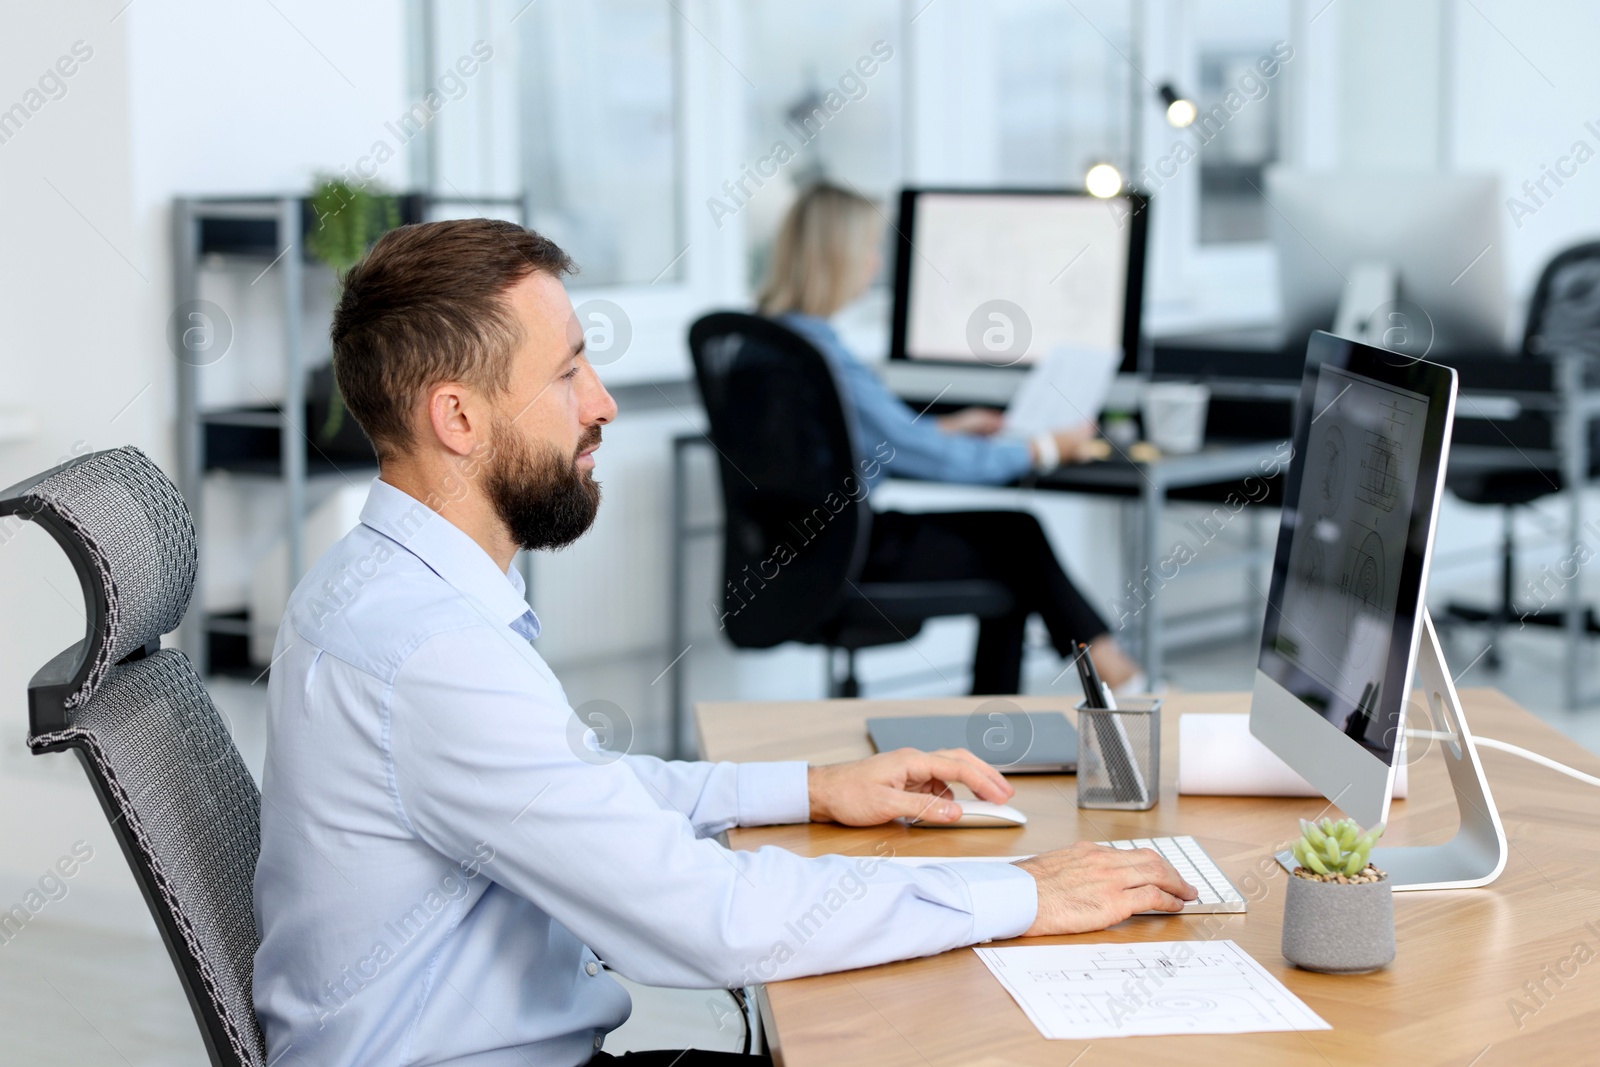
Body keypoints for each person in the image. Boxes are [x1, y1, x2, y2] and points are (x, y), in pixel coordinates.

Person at [251, 218, 1195, 1067]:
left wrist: (808, 786)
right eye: (569, 371)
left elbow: (575, 788)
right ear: (457, 417)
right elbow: (714, 920)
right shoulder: (430, 651)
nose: (603, 404)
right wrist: (1022, 891)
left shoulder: (377, 586)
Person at [756, 182, 1142, 694]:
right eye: (869, 249)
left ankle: (1076, 683)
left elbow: (849, 442)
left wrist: (944, 427)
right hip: (850, 551)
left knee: (1014, 553)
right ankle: (1109, 676)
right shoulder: (824, 354)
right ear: (839, 257)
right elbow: (931, 461)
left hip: (797, 548)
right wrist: (1045, 447)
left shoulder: (765, 342)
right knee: (1018, 538)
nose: (875, 264)